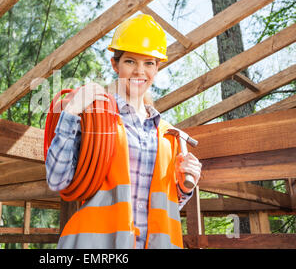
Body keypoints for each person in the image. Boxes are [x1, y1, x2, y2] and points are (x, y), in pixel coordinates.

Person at [45, 14, 202, 249]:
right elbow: (57, 180)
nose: (140, 71)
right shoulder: (94, 118)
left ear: (157, 68)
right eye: (130, 61)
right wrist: (70, 115)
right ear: (115, 64)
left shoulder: (166, 134)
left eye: (149, 63)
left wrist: (184, 188)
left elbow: (159, 207)